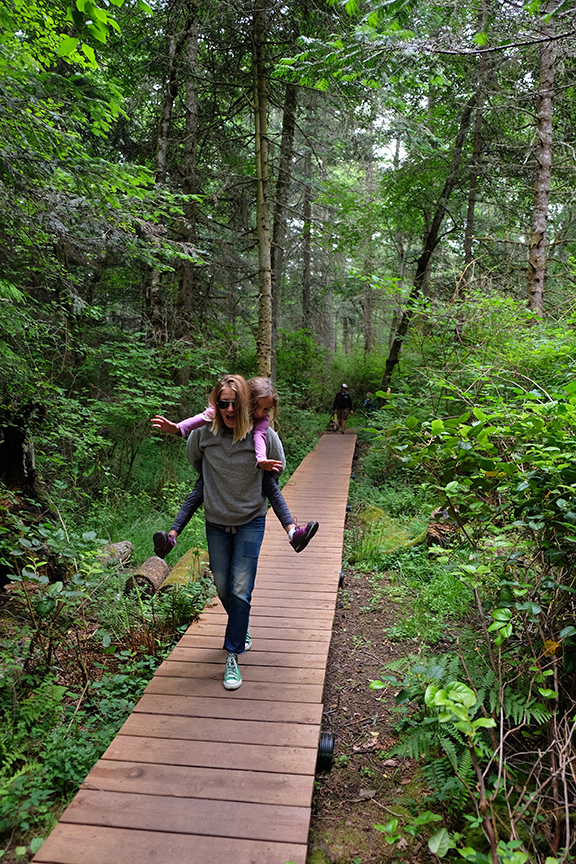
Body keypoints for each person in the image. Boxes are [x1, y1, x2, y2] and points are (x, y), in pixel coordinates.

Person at [182, 374, 289, 689]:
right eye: (223, 403)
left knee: (241, 589)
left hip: (251, 520)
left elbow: (277, 468)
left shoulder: (262, 436)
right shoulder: (203, 433)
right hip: (216, 519)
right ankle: (240, 626)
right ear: (216, 402)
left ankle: (232, 654)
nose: (229, 409)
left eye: (234, 403)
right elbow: (195, 462)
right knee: (223, 585)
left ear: (245, 404)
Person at [150, 377, 318, 558]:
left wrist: (261, 461)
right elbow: (197, 421)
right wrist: (177, 429)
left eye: (266, 409)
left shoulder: (261, 423)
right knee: (196, 494)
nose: (260, 413)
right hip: (215, 480)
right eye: (256, 407)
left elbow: (260, 440)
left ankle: (293, 532)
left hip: (257, 477)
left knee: (271, 487)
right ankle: (171, 538)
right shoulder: (218, 414)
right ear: (247, 401)